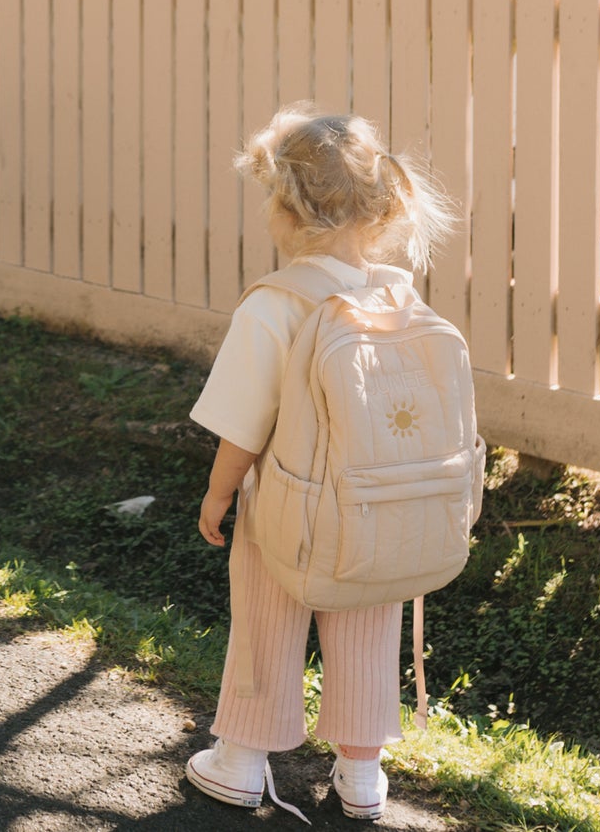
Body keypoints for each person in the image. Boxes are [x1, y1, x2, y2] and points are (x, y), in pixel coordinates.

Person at [186, 106, 456, 823]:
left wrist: (218, 496)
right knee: (368, 627)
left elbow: (242, 423)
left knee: (266, 622)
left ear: (284, 209)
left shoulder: (275, 304)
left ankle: (241, 761)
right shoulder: (397, 293)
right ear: (379, 208)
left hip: (285, 504)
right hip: (379, 507)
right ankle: (361, 775)